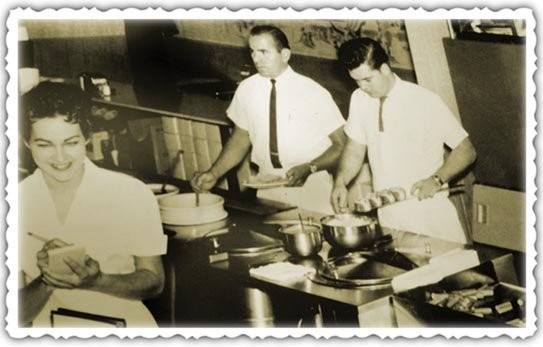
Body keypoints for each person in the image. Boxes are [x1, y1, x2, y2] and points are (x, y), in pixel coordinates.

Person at [18, 82, 167, 327]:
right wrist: (48, 279)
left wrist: (97, 280)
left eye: (71, 142)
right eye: (44, 145)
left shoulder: (130, 193)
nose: (60, 157)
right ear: (26, 142)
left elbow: (154, 282)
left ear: (87, 137)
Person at [331, 38, 477, 244]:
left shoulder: (423, 100)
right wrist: (340, 182)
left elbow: (466, 150)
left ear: (384, 68)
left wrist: (436, 180)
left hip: (428, 214)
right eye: (356, 81)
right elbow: (355, 149)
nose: (362, 86)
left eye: (367, 79)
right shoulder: (359, 99)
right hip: (390, 218)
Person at [191, 25, 346, 214]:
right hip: (267, 184)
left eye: (264, 52)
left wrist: (310, 168)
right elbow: (241, 138)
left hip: (310, 184)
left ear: (285, 54)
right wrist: (214, 173)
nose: (256, 59)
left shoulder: (313, 92)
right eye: (253, 52)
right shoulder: (247, 89)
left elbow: (341, 144)